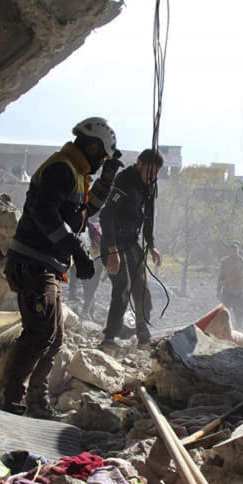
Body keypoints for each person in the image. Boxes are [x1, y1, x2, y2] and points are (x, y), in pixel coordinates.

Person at [2, 117, 122, 418]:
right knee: (40, 333)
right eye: (102, 157)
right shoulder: (61, 168)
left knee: (52, 338)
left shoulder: (77, 172)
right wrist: (76, 251)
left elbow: (87, 209)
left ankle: (36, 402)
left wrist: (106, 180)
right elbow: (45, 213)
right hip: (33, 261)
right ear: (93, 147)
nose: (101, 163)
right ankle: (13, 402)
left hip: (47, 264)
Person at [99, 149, 164, 351]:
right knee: (123, 287)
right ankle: (109, 337)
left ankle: (143, 336)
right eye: (149, 172)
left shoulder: (149, 186)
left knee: (142, 289)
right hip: (114, 241)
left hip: (131, 242)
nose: (152, 177)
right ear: (139, 164)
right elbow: (106, 214)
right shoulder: (124, 181)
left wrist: (151, 244)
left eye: (156, 174)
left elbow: (149, 216)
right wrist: (112, 250)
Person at [217, 242, 243, 331]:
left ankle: (238, 330)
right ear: (229, 251)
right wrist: (218, 290)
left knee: (239, 314)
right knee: (223, 312)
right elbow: (220, 277)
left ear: (238, 251)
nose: (234, 252)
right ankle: (224, 329)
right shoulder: (225, 262)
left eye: (236, 250)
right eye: (232, 251)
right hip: (227, 291)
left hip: (238, 292)